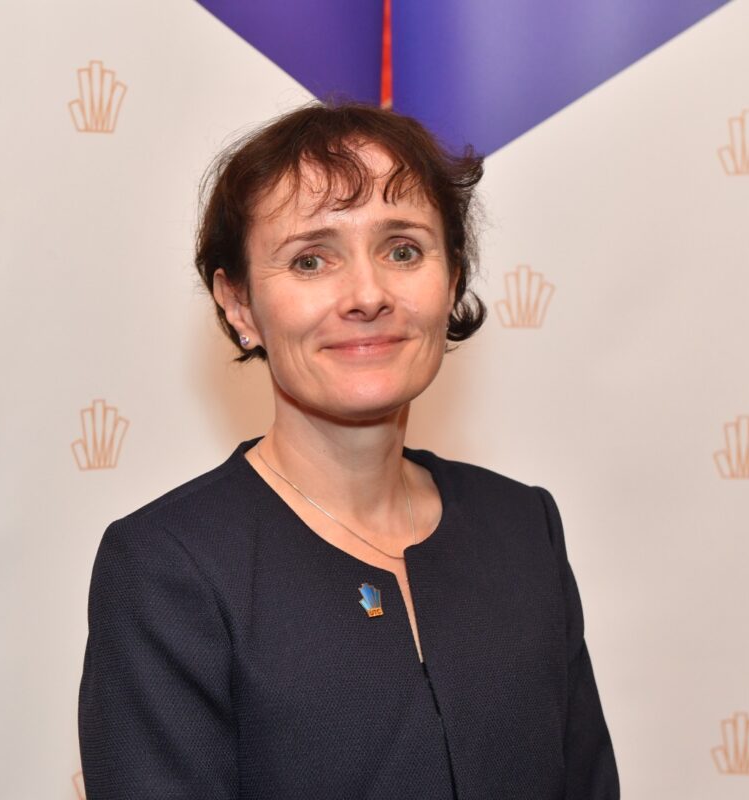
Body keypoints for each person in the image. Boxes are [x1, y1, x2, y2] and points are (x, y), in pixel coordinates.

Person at [78, 99, 619, 799]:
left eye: (403, 250)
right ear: (240, 306)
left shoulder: (524, 527)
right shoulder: (168, 567)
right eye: (311, 259)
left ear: (450, 278)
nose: (368, 294)